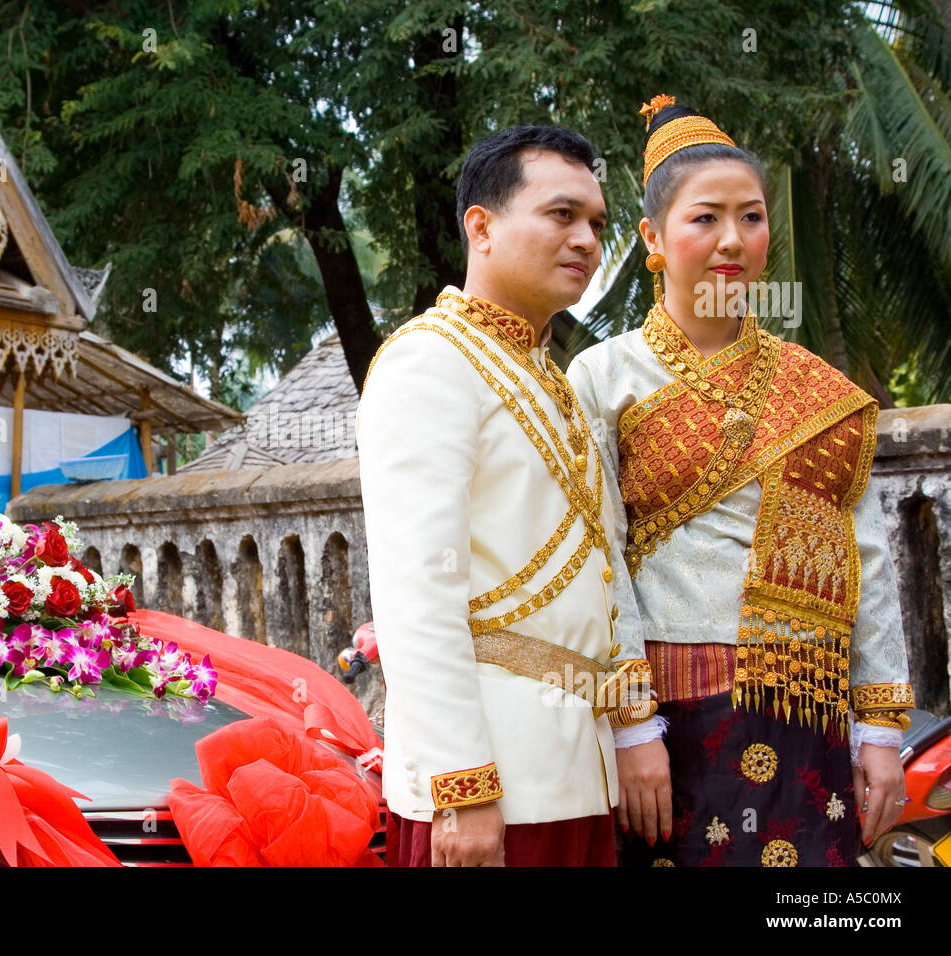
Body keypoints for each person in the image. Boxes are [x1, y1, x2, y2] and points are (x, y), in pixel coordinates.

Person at [567, 96, 912, 867]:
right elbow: (598, 553)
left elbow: (868, 562)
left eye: (751, 217)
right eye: (705, 219)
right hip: (669, 718)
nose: (733, 240)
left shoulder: (817, 389)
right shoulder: (603, 376)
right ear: (653, 238)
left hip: (804, 711)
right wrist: (631, 725)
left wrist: (881, 732)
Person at [358, 125, 647, 867]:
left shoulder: (552, 375)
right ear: (480, 227)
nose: (585, 239)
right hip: (491, 787)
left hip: (579, 773)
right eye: (561, 215)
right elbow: (417, 588)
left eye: (596, 224)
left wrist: (633, 731)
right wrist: (462, 782)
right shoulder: (429, 361)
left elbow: (605, 570)